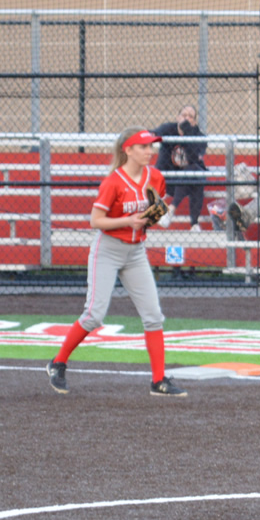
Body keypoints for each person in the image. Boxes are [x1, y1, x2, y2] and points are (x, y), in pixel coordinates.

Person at [45, 128, 188, 398]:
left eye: (151, 147)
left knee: (153, 316)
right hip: (108, 250)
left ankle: (158, 381)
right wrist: (128, 221)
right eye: (143, 147)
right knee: (94, 315)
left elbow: (156, 210)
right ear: (128, 150)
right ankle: (58, 362)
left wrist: (157, 215)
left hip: (136, 252)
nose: (150, 151)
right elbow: (95, 221)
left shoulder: (156, 177)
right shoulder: (113, 182)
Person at [153, 105, 208, 229]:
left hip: (188, 182)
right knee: (195, 176)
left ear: (194, 122)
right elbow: (155, 133)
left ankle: (173, 211)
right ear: (178, 117)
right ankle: (194, 223)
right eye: (184, 115)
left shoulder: (199, 137)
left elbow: (194, 158)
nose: (187, 118)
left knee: (196, 172)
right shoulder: (169, 129)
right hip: (168, 180)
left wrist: (187, 134)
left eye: (191, 117)